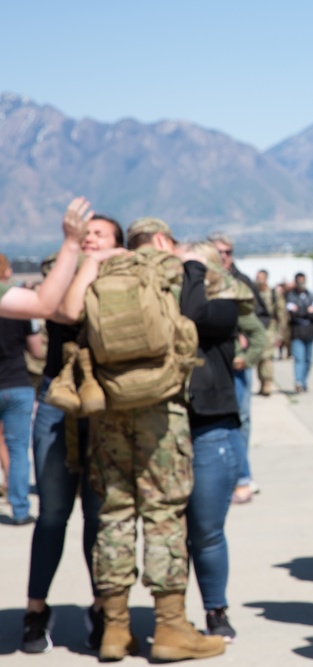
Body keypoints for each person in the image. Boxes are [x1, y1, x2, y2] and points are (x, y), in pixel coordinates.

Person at [63, 217, 226, 661]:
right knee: (164, 513)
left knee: (114, 512)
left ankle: (115, 629)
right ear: (160, 240)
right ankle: (171, 628)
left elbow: (71, 315)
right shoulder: (165, 268)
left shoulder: (102, 269)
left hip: (109, 405)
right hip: (161, 408)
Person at [21, 214, 124, 654]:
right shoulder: (59, 271)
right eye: (89, 233)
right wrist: (90, 260)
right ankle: (35, 610)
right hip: (59, 404)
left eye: (102, 234)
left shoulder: (127, 275)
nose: (93, 239)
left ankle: (103, 608)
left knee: (100, 518)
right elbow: (67, 310)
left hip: (105, 407)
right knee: (52, 514)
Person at [178, 241, 246, 642]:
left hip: (211, 428)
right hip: (168, 427)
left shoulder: (223, 307)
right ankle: (170, 613)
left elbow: (193, 314)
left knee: (204, 529)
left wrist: (192, 266)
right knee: (169, 531)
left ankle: (215, 609)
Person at [208, 233, 266, 506]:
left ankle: (242, 476)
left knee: (240, 421)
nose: (224, 256)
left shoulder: (242, 283)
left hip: (237, 365)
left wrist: (247, 349)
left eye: (228, 251)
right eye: (219, 251)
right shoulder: (201, 284)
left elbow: (262, 319)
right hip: (211, 365)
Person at [0, 252, 45, 526]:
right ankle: (19, 509)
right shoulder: (22, 307)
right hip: (17, 384)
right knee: (18, 449)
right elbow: (37, 349)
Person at [286, 273, 313, 392]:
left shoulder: (311, 295)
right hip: (297, 332)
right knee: (299, 358)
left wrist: (302, 311)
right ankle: (298, 381)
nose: (301, 283)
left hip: (309, 332)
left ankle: (304, 382)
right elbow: (292, 313)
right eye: (299, 281)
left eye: (303, 280)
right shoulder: (291, 296)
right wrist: (307, 311)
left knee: (308, 360)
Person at [255, 269, 279, 396]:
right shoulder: (253, 293)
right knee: (258, 357)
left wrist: (281, 333)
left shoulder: (273, 293)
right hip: (256, 328)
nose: (257, 279)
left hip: (269, 328)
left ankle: (268, 382)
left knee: (267, 357)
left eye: (260, 277)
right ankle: (262, 382)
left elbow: (280, 313)